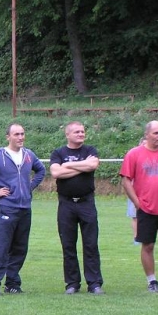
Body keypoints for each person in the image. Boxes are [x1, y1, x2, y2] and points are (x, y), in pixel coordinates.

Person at [0, 123, 46, 295]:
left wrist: (29, 187)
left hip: (25, 207)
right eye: (16, 134)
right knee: (2, 247)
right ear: (8, 137)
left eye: (22, 134)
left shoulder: (29, 155)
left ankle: (12, 283)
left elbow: (41, 170)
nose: (20, 137)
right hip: (7, 208)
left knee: (20, 248)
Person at [119, 120, 158, 292]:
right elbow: (126, 180)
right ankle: (152, 281)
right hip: (146, 208)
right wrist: (137, 202)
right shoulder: (134, 154)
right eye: (156, 133)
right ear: (146, 134)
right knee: (147, 245)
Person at [49, 121, 104, 294]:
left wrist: (67, 165)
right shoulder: (58, 153)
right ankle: (72, 283)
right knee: (68, 245)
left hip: (86, 203)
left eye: (82, 131)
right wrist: (82, 166)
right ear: (68, 134)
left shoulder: (90, 150)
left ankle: (94, 283)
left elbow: (93, 165)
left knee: (91, 244)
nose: (81, 134)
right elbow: (56, 173)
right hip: (66, 204)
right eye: (77, 132)